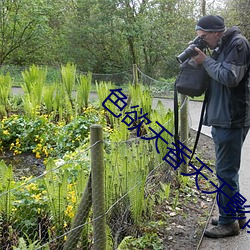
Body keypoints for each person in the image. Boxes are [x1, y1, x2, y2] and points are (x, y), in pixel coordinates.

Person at [192, 15, 250, 238]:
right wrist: (201, 60)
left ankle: (228, 223)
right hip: (223, 117)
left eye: (204, 37)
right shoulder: (221, 46)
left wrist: (205, 61)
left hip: (232, 118)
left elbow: (229, 77)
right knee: (228, 172)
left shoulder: (238, 44)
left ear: (216, 32)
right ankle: (236, 214)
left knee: (225, 173)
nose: (203, 41)